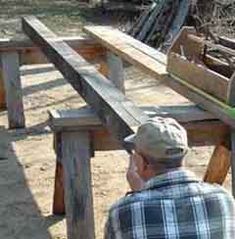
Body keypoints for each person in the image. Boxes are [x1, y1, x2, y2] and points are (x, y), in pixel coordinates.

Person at [104, 117, 235, 239]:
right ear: (184, 156)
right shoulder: (223, 199)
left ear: (141, 162)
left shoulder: (122, 211)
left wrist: (140, 193)